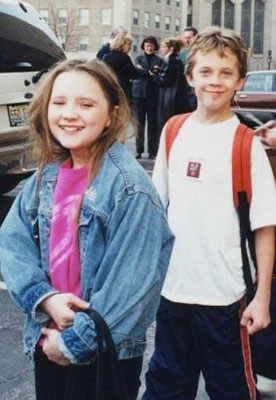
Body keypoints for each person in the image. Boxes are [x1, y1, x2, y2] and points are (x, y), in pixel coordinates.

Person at [0, 59, 174, 400]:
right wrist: (45, 299)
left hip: (102, 351)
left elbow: (133, 287)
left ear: (111, 114)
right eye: (59, 102)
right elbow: (12, 243)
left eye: (86, 104)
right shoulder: (47, 176)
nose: (69, 113)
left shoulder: (130, 189)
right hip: (49, 337)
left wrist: (74, 343)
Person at [143, 27, 276, 400]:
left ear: (240, 81)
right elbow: (156, 211)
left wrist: (261, 296)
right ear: (189, 76)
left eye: (225, 73)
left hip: (226, 298)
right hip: (173, 293)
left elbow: (265, 225)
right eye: (205, 72)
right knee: (165, 387)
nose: (214, 81)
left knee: (230, 389)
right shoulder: (173, 130)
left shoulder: (245, 143)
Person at [151, 37, 191, 146]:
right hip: (176, 98)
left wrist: (154, 76)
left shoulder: (171, 61)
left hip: (169, 99)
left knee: (167, 125)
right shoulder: (177, 60)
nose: (162, 49)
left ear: (171, 48)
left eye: (164, 46)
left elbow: (165, 80)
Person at [132, 36, 164, 159]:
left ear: (155, 47)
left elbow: (158, 74)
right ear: (143, 47)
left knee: (153, 125)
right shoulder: (137, 59)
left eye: (151, 46)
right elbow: (137, 71)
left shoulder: (160, 60)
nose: (149, 48)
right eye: (147, 46)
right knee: (139, 124)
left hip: (153, 95)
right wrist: (149, 72)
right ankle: (138, 151)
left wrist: (144, 71)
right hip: (138, 95)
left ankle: (152, 152)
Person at [103, 34, 148, 104]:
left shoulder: (106, 57)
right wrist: (145, 71)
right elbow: (134, 74)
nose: (130, 47)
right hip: (123, 91)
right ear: (121, 44)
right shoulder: (124, 58)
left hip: (109, 90)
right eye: (129, 44)